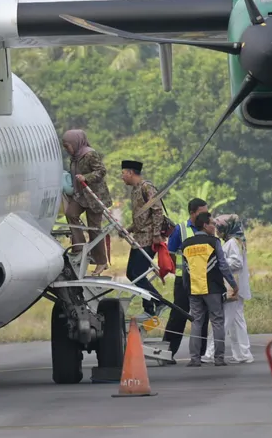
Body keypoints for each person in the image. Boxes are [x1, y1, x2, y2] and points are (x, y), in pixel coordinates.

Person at [181, 212, 238, 367]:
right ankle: (219, 358)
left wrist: (187, 289)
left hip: (194, 289)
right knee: (218, 322)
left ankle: (195, 359)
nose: (215, 226)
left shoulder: (186, 244)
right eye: (212, 223)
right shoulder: (213, 242)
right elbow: (223, 265)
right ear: (205, 225)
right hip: (213, 289)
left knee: (196, 323)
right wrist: (233, 284)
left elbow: (185, 270)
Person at [162, 198, 210, 364]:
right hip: (183, 281)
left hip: (203, 279)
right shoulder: (180, 230)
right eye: (202, 213)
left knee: (203, 317)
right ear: (193, 213)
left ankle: (199, 354)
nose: (206, 216)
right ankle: (168, 352)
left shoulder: (207, 228)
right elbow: (170, 253)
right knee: (178, 315)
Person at [202, 214, 254, 364]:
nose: (217, 231)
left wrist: (219, 263)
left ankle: (211, 352)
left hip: (232, 287)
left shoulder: (231, 243)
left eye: (219, 228)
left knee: (222, 320)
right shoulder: (236, 241)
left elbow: (236, 263)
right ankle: (243, 354)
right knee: (237, 321)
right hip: (236, 287)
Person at [62, 130, 113, 276]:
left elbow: (101, 171)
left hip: (94, 196)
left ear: (76, 143)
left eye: (68, 146)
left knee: (94, 229)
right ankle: (80, 247)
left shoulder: (89, 154)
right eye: (65, 146)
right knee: (71, 214)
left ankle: (101, 261)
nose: (67, 149)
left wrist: (86, 177)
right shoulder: (74, 157)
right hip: (80, 196)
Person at [121, 160, 164, 316]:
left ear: (131, 173)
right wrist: (128, 229)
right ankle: (150, 306)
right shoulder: (134, 190)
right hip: (138, 239)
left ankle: (157, 302)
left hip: (148, 239)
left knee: (138, 273)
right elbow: (141, 218)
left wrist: (157, 234)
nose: (122, 177)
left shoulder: (147, 187)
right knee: (132, 274)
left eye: (123, 173)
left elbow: (157, 211)